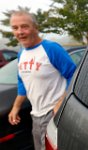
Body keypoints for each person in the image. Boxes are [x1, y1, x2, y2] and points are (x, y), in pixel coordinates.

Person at [8, 10, 76, 150]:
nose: (19, 32)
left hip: (54, 113)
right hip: (36, 115)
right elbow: (22, 82)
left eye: (24, 26)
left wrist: (60, 103)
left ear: (35, 27)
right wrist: (15, 107)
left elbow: (73, 75)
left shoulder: (51, 49)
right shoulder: (22, 54)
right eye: (15, 28)